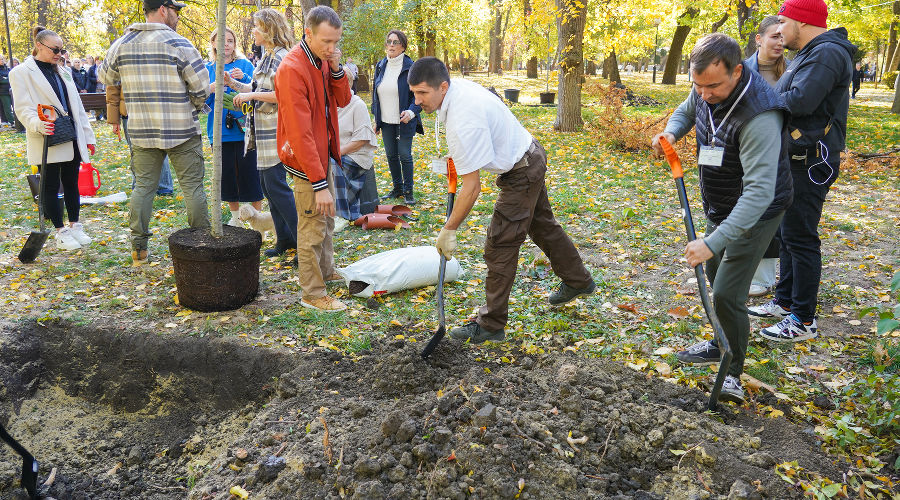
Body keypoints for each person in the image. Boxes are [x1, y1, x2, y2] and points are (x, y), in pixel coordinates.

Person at [408, 57, 596, 344]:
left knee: (499, 244)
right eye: (414, 92)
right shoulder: (457, 93)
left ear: (443, 86)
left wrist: (449, 228)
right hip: (527, 156)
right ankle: (578, 280)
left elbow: (471, 188)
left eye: (422, 93)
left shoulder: (462, 119)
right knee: (543, 227)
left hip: (521, 170)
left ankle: (491, 324)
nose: (417, 99)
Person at [652, 33, 793, 403]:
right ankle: (721, 341)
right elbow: (688, 110)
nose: (704, 94)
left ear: (737, 70)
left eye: (712, 86)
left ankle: (731, 371)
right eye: (697, 85)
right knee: (716, 275)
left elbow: (759, 194)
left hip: (757, 212)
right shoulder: (705, 87)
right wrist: (671, 131)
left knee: (728, 293)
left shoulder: (760, 114)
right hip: (722, 202)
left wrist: (712, 243)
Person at [749, 0, 856, 341]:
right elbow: (787, 94)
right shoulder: (812, 53)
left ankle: (803, 320)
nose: (778, 29)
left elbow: (798, 101)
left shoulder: (826, 54)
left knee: (801, 238)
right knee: (788, 235)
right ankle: (785, 302)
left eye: (782, 20)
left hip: (811, 160)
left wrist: (762, 98)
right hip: (796, 156)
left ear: (801, 19)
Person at [99, 0, 211, 265]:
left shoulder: (122, 44)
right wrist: (194, 106)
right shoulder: (178, 43)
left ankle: (139, 250)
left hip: (141, 129)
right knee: (192, 188)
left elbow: (105, 75)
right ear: (163, 8)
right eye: (176, 10)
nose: (178, 16)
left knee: (143, 189)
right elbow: (201, 87)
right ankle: (202, 245)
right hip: (181, 128)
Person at [275, 5, 351, 312]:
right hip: (307, 161)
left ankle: (327, 270)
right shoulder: (293, 69)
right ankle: (313, 293)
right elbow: (299, 132)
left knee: (327, 219)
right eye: (327, 42)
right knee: (311, 226)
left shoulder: (321, 60)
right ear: (308, 33)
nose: (332, 49)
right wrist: (318, 183)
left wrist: (335, 67)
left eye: (336, 42)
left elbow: (344, 99)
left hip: (322, 154)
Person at [10, 26, 98, 251]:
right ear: (39, 45)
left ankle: (75, 225)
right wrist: (38, 124)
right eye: (55, 49)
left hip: (70, 133)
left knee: (71, 182)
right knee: (50, 185)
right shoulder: (20, 73)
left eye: (62, 50)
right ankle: (60, 230)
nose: (60, 54)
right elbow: (22, 108)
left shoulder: (62, 71)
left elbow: (76, 107)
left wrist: (88, 136)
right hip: (46, 136)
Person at [226, 8, 297, 259]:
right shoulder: (267, 56)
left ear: (268, 30)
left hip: (276, 131)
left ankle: (302, 243)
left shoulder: (283, 58)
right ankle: (285, 240)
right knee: (269, 189)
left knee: (278, 189)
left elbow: (283, 96)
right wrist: (232, 84)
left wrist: (252, 95)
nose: (253, 31)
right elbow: (255, 87)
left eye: (256, 27)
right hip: (261, 132)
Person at [744, 15, 789, 296]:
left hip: (782, 154)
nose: (780, 42)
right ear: (759, 39)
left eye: (783, 37)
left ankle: (764, 278)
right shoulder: (742, 71)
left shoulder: (792, 71)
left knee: (774, 214)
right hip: (746, 153)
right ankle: (744, 271)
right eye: (774, 36)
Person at [206, 27, 259, 226]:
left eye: (229, 40)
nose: (226, 44)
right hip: (220, 131)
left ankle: (256, 218)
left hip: (245, 131)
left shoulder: (244, 65)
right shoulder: (208, 68)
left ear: (234, 44)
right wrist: (211, 88)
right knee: (227, 175)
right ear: (213, 44)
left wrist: (243, 79)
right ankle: (236, 218)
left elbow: (258, 91)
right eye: (221, 40)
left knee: (251, 174)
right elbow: (201, 102)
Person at [372, 30, 423, 205]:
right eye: (389, 42)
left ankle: (409, 191)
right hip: (386, 121)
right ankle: (398, 188)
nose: (391, 45)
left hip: (404, 120)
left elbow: (420, 96)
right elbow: (375, 95)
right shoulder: (380, 66)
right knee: (391, 155)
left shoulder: (411, 67)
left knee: (404, 155)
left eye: (395, 42)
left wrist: (411, 112)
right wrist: (376, 120)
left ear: (403, 46)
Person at [106, 83, 175, 195]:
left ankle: (162, 186)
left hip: (155, 109)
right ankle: (140, 185)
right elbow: (113, 89)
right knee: (136, 151)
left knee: (160, 147)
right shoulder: (119, 66)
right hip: (130, 112)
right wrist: (114, 120)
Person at [333, 71, 377, 223]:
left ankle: (342, 214)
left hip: (358, 154)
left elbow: (361, 140)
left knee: (332, 166)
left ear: (348, 84)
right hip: (338, 152)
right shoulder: (330, 104)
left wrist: (335, 154)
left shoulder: (357, 105)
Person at [0, 55, 12, 125]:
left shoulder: (8, 69)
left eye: (2, 59)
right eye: (0, 59)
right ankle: (12, 122)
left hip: (11, 90)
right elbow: (1, 80)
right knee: (7, 108)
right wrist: (7, 79)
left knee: (14, 107)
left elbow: (13, 78)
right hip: (3, 92)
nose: (1, 61)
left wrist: (5, 78)